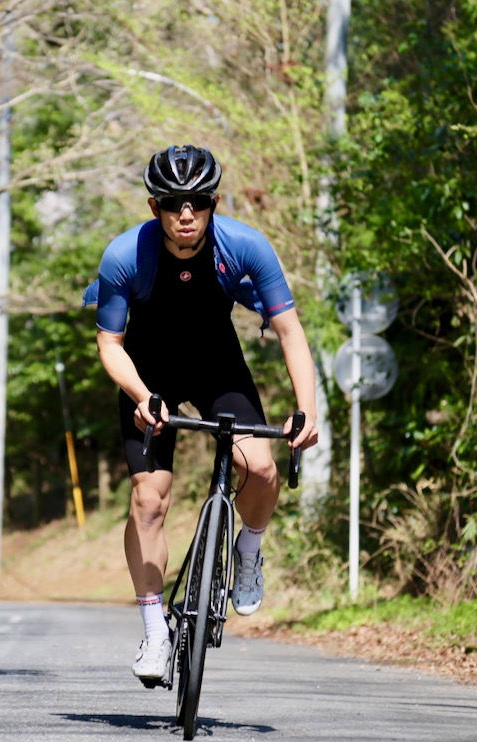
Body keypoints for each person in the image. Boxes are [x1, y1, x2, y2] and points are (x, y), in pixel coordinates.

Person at [81, 144, 318, 685]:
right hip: (149, 374)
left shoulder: (245, 247)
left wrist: (305, 409)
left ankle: (248, 550)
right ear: (153, 206)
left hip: (217, 367)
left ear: (213, 202)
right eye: (171, 203)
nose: (185, 214)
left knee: (260, 469)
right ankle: (154, 632)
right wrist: (142, 395)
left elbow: (289, 332)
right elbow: (110, 345)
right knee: (149, 499)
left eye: (196, 202)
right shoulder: (125, 255)